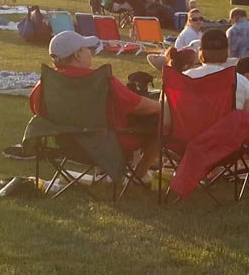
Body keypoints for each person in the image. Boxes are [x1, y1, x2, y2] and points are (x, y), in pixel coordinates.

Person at [29, 30, 162, 182]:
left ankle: (103, 173)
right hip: (110, 146)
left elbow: (39, 114)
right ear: (78, 54)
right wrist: (163, 106)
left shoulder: (44, 86)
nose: (90, 52)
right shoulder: (102, 82)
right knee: (162, 121)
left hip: (68, 146)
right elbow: (140, 106)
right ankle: (140, 175)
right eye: (86, 49)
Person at [184, 28, 249, 169]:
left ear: (200, 52)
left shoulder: (183, 78)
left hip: (187, 140)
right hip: (228, 144)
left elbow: (167, 119)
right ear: (227, 52)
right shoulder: (239, 81)